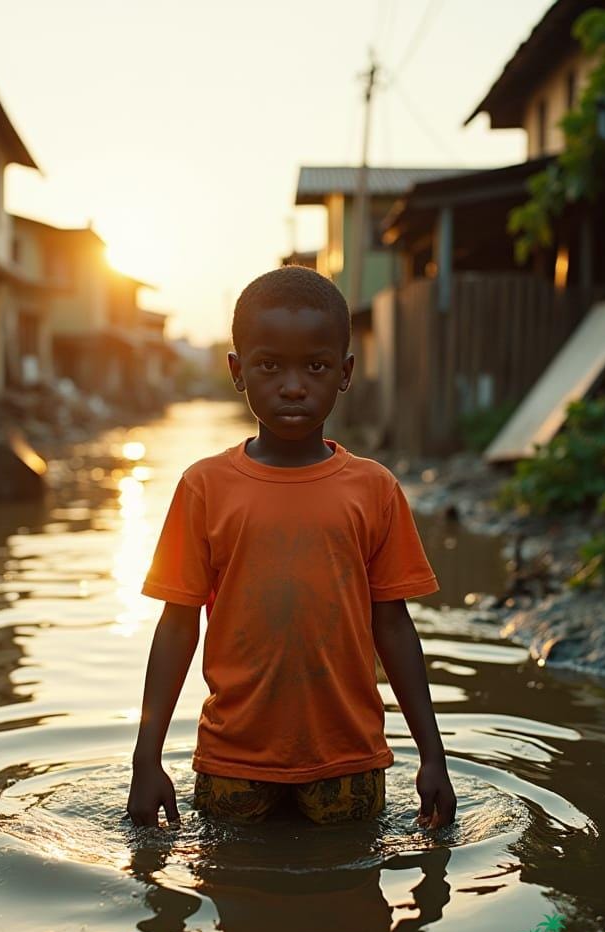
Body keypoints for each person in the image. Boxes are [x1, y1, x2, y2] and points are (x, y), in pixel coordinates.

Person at [125, 265, 456, 829]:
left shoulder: (374, 489)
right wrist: (146, 759)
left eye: (316, 366)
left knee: (353, 877)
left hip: (348, 760)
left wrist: (433, 755)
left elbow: (394, 626)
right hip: (232, 760)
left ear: (345, 373)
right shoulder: (204, 487)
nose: (294, 385)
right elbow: (177, 625)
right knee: (230, 876)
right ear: (238, 371)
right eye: (270, 366)